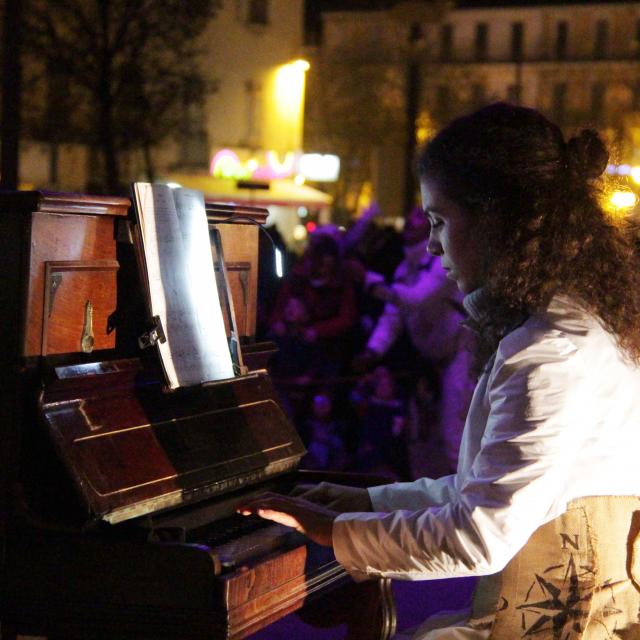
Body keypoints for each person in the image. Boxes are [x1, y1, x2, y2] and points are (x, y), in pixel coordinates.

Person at [239, 103, 640, 638]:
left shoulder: (548, 349)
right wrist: (364, 503)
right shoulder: (579, 322)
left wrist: (334, 529)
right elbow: (491, 491)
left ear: (498, 222)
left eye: (439, 221)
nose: (431, 244)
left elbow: (481, 534)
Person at [354, 205, 475, 474]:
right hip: (431, 361)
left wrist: (373, 284)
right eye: (409, 217)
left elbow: (417, 298)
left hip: (460, 354)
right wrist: (373, 351)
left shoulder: (441, 261)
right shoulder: (404, 267)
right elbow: (393, 317)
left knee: (453, 432)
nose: (410, 221)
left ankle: (464, 498)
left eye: (419, 217)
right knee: (424, 434)